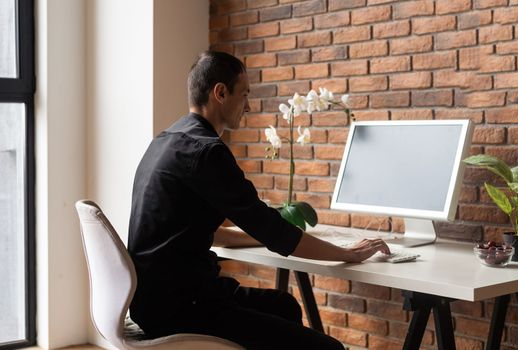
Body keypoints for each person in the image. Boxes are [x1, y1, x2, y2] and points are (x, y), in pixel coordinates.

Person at [127, 51, 390, 349]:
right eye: (245, 94)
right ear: (220, 93)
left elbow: (201, 231)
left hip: (155, 301)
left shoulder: (166, 140)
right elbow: (276, 232)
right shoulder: (207, 152)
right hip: (185, 307)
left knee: (285, 306)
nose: (249, 106)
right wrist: (349, 254)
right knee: (330, 348)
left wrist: (258, 237)